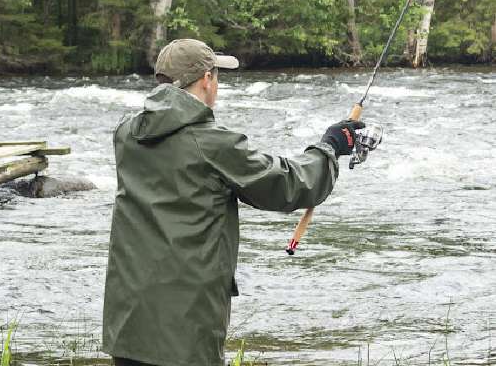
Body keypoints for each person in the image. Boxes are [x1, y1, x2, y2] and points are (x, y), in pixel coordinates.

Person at [102, 39, 365, 366]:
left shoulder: (127, 133)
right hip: (183, 330)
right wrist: (330, 147)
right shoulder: (211, 143)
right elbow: (287, 185)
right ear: (206, 80)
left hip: (127, 322)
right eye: (217, 76)